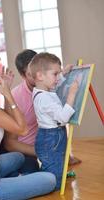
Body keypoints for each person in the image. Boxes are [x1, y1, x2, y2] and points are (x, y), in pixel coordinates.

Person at [0, 47, 56, 200]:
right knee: (50, 179)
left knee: (18, 157)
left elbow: (9, 120)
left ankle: (16, 178)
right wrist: (8, 95)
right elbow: (22, 129)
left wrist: (6, 92)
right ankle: (14, 181)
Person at [3, 49, 81, 171]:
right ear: (23, 76)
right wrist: (44, 152)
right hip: (31, 150)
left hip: (50, 145)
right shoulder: (15, 97)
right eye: (31, 74)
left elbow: (58, 120)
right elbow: (9, 143)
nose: (37, 78)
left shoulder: (48, 86)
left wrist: (61, 74)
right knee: (37, 175)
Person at [29, 52, 80, 190]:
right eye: (55, 74)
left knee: (59, 161)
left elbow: (55, 86)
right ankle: (44, 183)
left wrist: (63, 73)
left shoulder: (43, 90)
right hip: (50, 138)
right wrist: (72, 94)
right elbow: (64, 117)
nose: (57, 78)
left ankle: (59, 174)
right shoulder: (43, 98)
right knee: (54, 179)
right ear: (40, 76)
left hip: (54, 135)